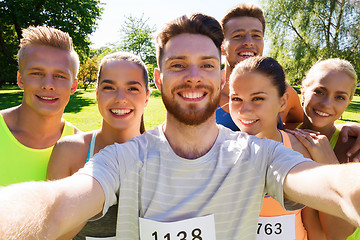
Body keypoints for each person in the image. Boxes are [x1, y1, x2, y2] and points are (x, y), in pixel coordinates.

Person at [2, 13, 360, 240]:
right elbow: (54, 206)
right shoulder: (123, 159)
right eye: (178, 65)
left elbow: (333, 186)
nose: (192, 77)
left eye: (206, 65)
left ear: (222, 78)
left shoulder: (259, 154)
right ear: (158, 78)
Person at [228, 56, 351, 240]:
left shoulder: (303, 151)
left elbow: (316, 228)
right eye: (236, 98)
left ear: (283, 101)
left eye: (258, 98)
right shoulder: (222, 149)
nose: (245, 110)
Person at [47, 52, 150, 239]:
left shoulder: (162, 153)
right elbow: (54, 232)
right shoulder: (69, 150)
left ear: (147, 97)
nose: (120, 98)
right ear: (97, 95)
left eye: (133, 89)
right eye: (109, 87)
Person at [0, 26, 79, 186]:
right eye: (36, 73)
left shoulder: (83, 148)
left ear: (73, 86)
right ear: (20, 79)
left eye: (60, 76)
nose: (48, 85)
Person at [290, 58, 359, 240]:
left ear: (348, 102)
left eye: (340, 97)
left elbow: (339, 234)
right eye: (319, 91)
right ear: (303, 92)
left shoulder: (353, 148)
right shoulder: (283, 136)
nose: (327, 104)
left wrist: (327, 162)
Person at [217, 3, 303, 131]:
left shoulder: (283, 92)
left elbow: (300, 122)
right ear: (222, 48)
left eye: (256, 36)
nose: (249, 42)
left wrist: (286, 137)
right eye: (238, 36)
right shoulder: (207, 92)